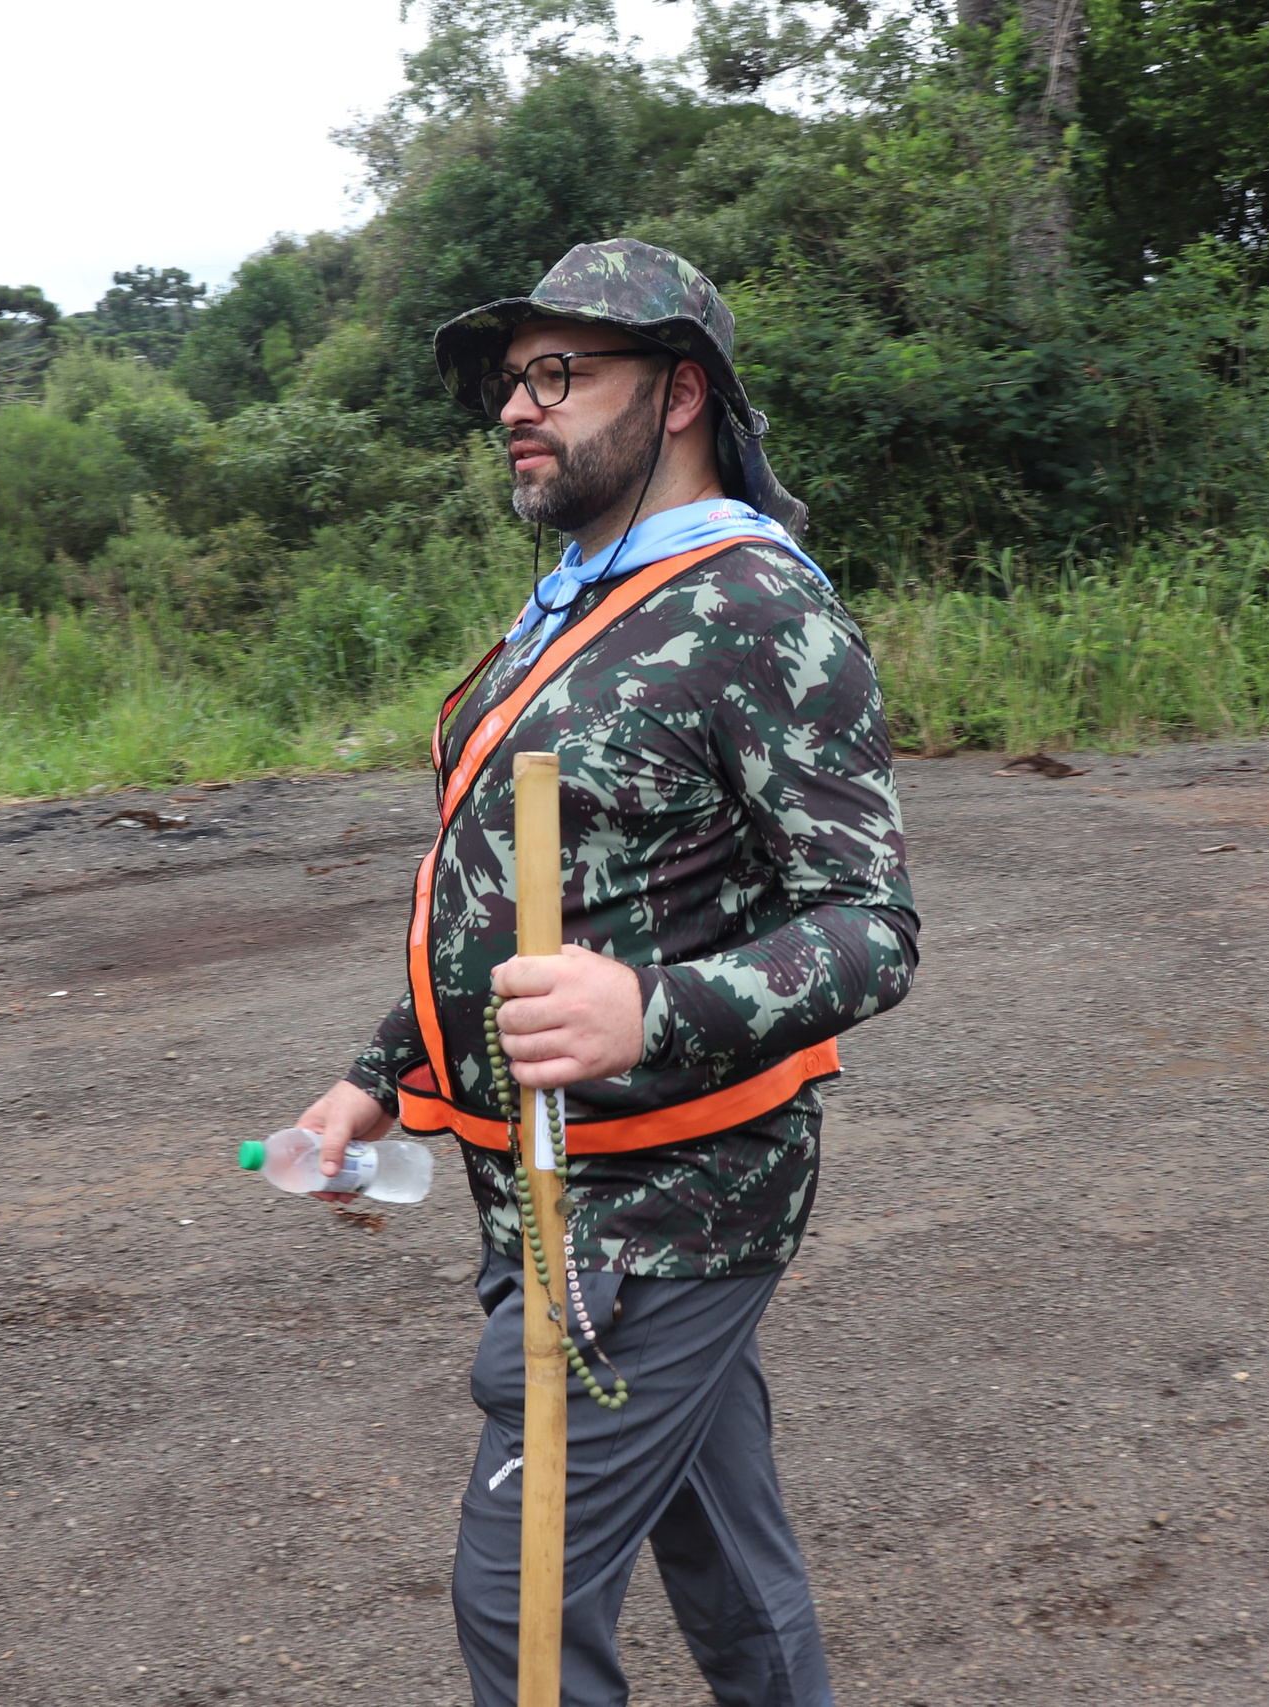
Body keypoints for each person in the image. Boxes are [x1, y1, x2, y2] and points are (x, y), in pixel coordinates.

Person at [284, 238, 918, 1706]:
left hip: (665, 1206)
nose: (521, 404)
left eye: (562, 373)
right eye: (515, 379)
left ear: (682, 390)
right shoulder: (578, 596)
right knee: (726, 1557)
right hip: (547, 1181)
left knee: (517, 1600)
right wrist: (378, 1079)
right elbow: (518, 903)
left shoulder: (758, 608)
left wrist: (655, 1008)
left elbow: (872, 923)